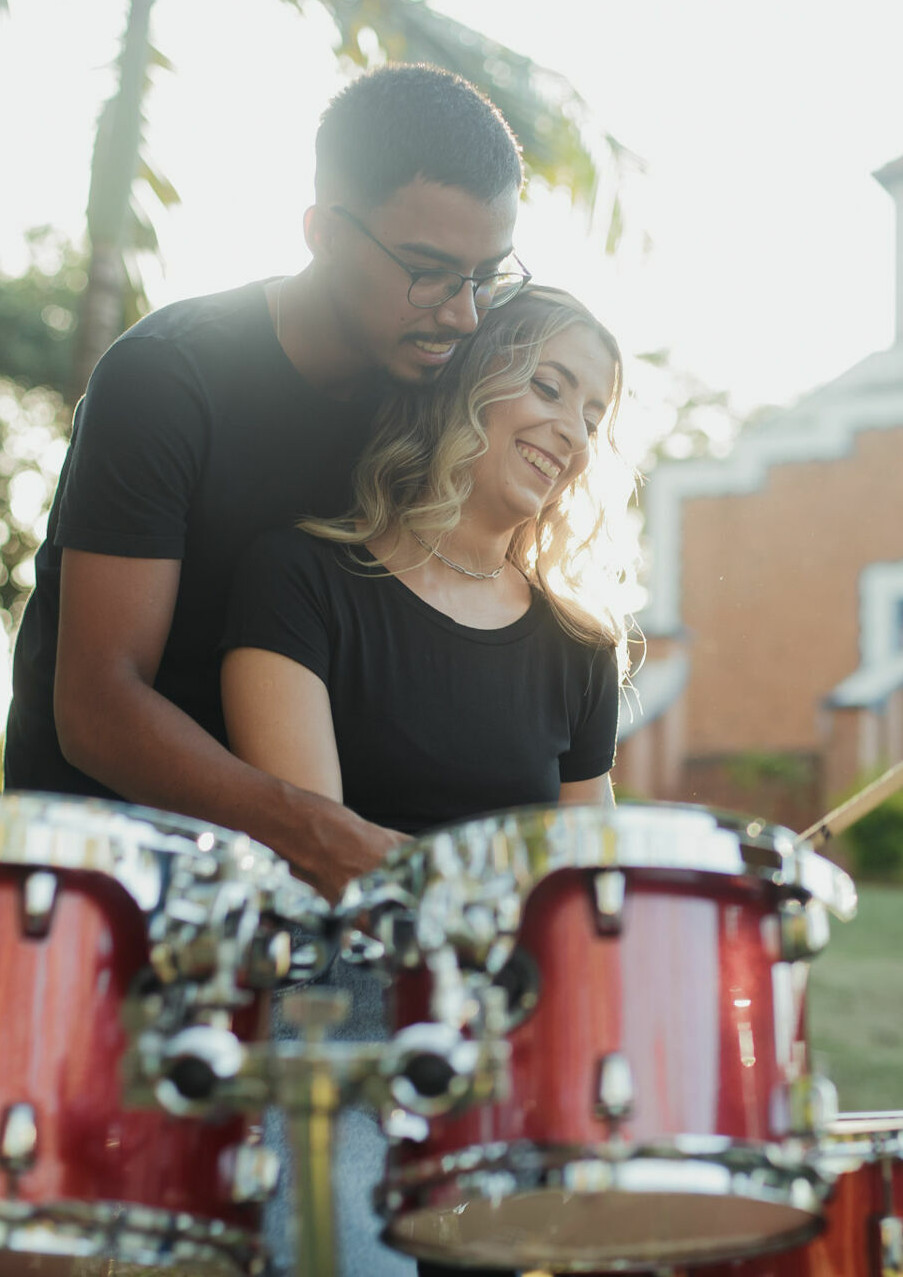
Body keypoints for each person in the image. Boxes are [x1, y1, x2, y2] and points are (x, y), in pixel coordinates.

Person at [2, 64, 531, 900]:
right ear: (324, 231)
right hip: (106, 881)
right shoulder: (166, 380)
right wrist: (316, 835)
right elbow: (98, 708)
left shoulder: (439, 397)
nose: (463, 313)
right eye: (428, 270)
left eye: (487, 274)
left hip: (315, 894)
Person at [220, 285, 634, 1277]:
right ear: (467, 381)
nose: (572, 432)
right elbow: (318, 856)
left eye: (593, 414)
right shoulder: (298, 579)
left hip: (510, 1037)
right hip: (340, 1021)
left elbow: (586, 890)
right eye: (549, 387)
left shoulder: (580, 648)